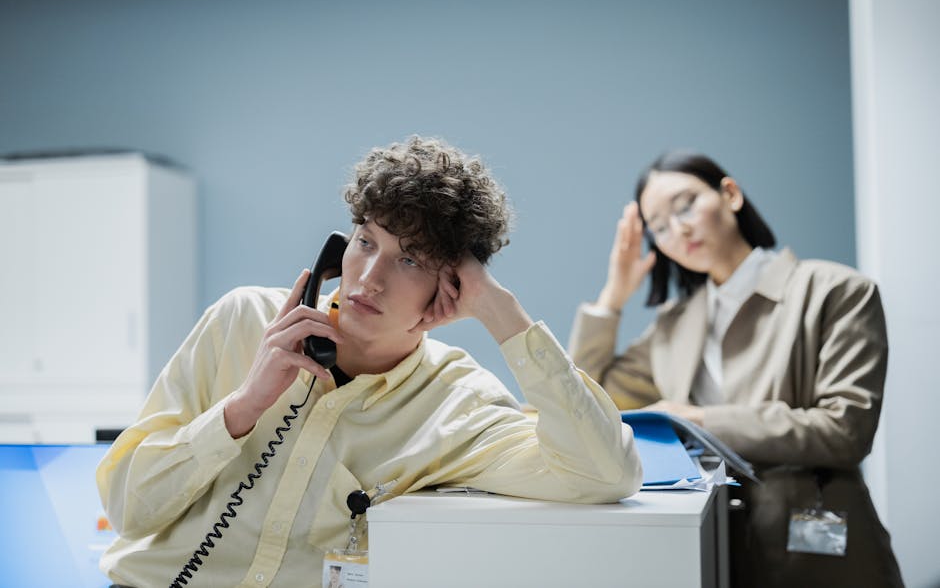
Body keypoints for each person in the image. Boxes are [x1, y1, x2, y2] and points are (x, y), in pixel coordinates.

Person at [96, 135, 641, 588]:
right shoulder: (242, 321)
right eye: (365, 242)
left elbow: (604, 472)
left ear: (452, 284)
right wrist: (244, 406)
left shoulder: (458, 402)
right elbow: (127, 508)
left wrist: (502, 312)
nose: (369, 277)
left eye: (409, 259)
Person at [568, 151, 903, 587]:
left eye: (685, 205)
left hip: (820, 556)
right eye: (660, 227)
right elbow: (587, 401)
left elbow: (846, 431)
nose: (678, 229)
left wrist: (699, 421)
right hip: (711, 549)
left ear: (730, 194)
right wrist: (613, 296)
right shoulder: (673, 325)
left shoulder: (835, 291)